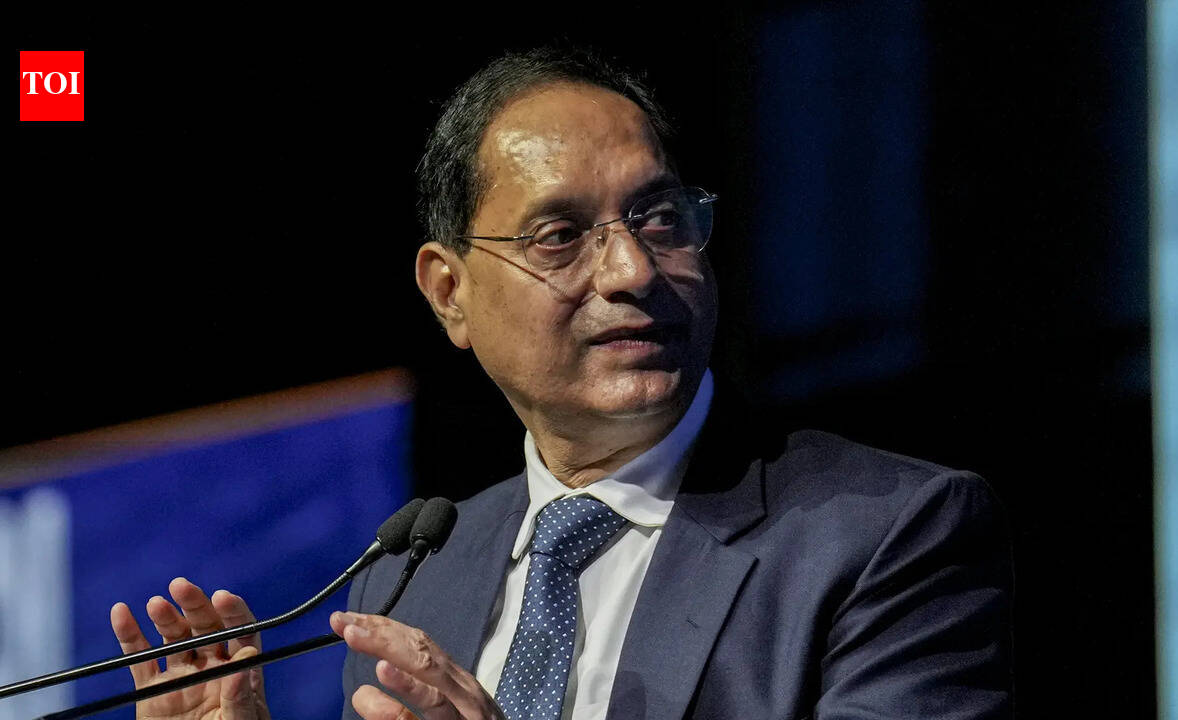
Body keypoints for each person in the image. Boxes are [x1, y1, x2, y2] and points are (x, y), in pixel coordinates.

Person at [109, 46, 1013, 720]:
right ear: (450, 293)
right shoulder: (406, 582)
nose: (632, 270)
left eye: (660, 218)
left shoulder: (887, 534)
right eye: (560, 236)